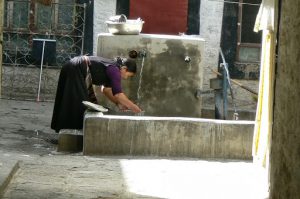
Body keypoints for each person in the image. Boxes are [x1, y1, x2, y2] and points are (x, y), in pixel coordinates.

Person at [51, 55, 142, 133]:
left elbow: (106, 90)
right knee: (79, 104)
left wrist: (118, 104)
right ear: (124, 68)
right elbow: (118, 94)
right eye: (128, 75)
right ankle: (70, 135)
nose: (126, 78)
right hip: (76, 68)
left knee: (69, 100)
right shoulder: (115, 70)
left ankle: (64, 132)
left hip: (72, 66)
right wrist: (136, 109)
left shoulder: (113, 68)